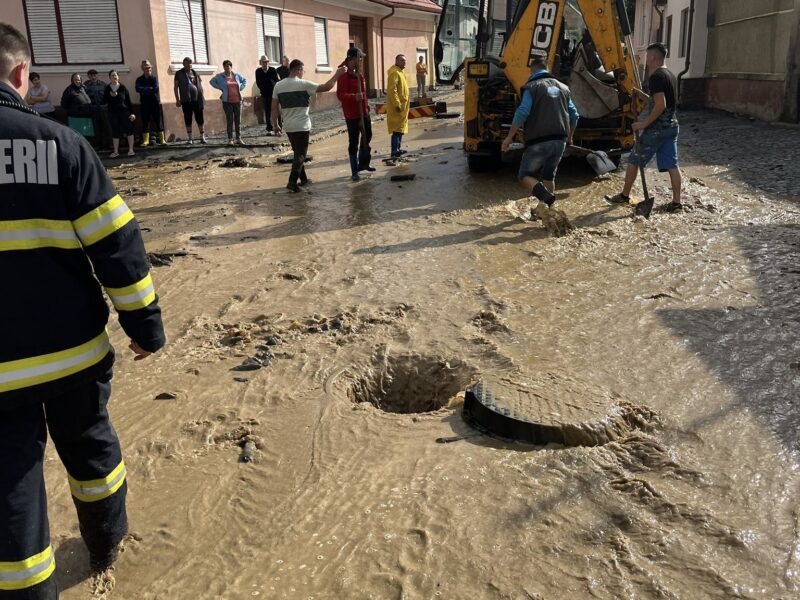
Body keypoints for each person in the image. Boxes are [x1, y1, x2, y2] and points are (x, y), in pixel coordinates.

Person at [0, 22, 165, 600]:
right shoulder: (61, 145)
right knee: (92, 449)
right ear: (23, 75)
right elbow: (117, 244)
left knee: (11, 487)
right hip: (73, 352)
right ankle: (105, 547)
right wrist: (144, 326)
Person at [606, 42, 682, 215]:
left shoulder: (656, 77)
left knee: (634, 160)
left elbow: (660, 105)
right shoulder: (670, 75)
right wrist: (643, 96)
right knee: (673, 165)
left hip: (656, 129)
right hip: (672, 127)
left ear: (653, 57)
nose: (646, 60)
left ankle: (624, 195)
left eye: (648, 57)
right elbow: (660, 101)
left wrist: (643, 124)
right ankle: (677, 203)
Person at [501, 56, 579, 209]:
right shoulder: (564, 88)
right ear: (547, 69)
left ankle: (544, 196)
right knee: (548, 176)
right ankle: (549, 211)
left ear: (532, 70)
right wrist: (570, 137)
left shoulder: (532, 86)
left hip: (539, 140)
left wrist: (509, 137)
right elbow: (575, 115)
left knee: (524, 176)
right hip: (560, 141)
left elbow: (522, 111)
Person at [272, 59, 346, 192]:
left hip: (288, 126)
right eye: (303, 71)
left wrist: (276, 125)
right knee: (301, 154)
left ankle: (304, 179)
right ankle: (292, 182)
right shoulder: (303, 84)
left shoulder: (278, 85)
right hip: (302, 125)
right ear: (299, 70)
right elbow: (327, 87)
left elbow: (273, 108)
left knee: (297, 153)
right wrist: (337, 75)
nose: (303, 74)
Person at [337, 47, 375, 181]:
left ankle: (363, 163)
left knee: (367, 135)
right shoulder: (343, 74)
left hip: (363, 111)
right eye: (359, 58)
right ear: (351, 59)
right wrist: (354, 97)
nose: (361, 61)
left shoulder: (359, 74)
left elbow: (363, 92)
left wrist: (366, 104)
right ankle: (354, 170)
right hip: (352, 114)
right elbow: (340, 95)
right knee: (353, 141)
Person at [211, 60, 247, 145]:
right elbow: (212, 82)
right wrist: (221, 88)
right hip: (227, 102)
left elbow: (245, 80)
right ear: (223, 67)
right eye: (226, 66)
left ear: (231, 67)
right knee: (230, 120)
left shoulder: (236, 75)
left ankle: (238, 138)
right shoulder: (220, 76)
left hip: (238, 101)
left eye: (229, 66)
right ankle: (230, 139)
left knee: (238, 120)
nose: (228, 67)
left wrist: (240, 88)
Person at [174, 56, 206, 144]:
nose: (189, 64)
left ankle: (202, 137)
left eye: (190, 63)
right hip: (186, 100)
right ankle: (190, 138)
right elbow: (175, 87)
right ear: (183, 64)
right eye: (187, 63)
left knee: (200, 119)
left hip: (198, 100)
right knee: (188, 119)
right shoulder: (179, 73)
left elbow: (200, 85)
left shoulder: (195, 73)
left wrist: (202, 96)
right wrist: (177, 99)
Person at [104, 69, 135, 157]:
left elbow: (128, 101)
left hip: (124, 112)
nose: (114, 77)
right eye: (112, 75)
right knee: (115, 131)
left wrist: (132, 113)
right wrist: (110, 96)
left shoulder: (123, 87)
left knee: (129, 130)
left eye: (115, 75)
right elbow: (104, 101)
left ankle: (131, 150)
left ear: (118, 77)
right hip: (113, 113)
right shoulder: (107, 88)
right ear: (109, 78)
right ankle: (116, 151)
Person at [135, 59, 166, 147]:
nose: (148, 70)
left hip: (155, 103)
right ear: (142, 69)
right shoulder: (139, 79)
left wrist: (145, 90)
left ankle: (162, 139)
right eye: (146, 69)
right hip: (144, 104)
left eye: (149, 69)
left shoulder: (154, 78)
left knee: (158, 121)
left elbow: (156, 88)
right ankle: (146, 141)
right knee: (145, 121)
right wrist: (150, 89)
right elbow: (137, 89)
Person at [386, 54, 410, 157]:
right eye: (402, 60)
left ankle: (398, 148)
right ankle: (394, 150)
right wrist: (397, 103)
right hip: (397, 107)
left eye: (405, 60)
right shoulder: (394, 73)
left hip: (403, 106)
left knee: (400, 128)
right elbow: (392, 90)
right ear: (397, 61)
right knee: (396, 130)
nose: (404, 62)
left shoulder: (401, 72)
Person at [255, 55, 279, 134]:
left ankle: (278, 128)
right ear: (260, 62)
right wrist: (262, 88)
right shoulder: (258, 71)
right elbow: (258, 82)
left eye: (267, 62)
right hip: (264, 94)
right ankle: (269, 129)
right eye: (264, 62)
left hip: (273, 93)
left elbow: (276, 80)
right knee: (267, 111)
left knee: (276, 110)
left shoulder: (272, 70)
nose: (265, 63)